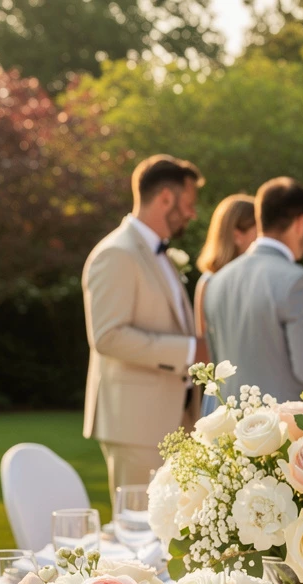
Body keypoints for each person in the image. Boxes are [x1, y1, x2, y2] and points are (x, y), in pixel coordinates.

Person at [82, 153, 206, 502]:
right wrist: (189, 351)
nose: (192, 213)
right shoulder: (116, 253)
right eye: (189, 203)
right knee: (136, 533)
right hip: (135, 424)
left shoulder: (160, 255)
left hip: (174, 419)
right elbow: (107, 337)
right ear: (166, 197)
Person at [202, 177, 303, 403]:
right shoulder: (300, 281)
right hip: (281, 427)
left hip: (229, 423)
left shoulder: (218, 280)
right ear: (301, 223)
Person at [194, 194, 256, 338]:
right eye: (258, 232)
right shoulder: (209, 283)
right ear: (237, 236)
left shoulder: (259, 278)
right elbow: (204, 341)